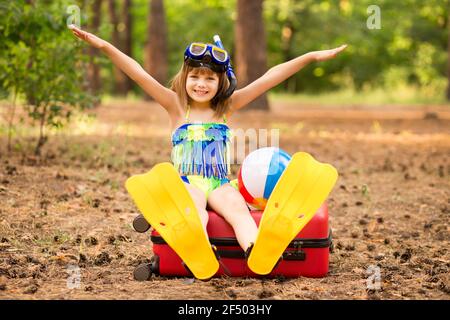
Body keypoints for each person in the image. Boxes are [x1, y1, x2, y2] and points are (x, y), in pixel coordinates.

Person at [70, 24, 346, 256]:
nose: (201, 84)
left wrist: (309, 57)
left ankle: (256, 250)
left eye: (209, 79)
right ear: (185, 77)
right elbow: (137, 71)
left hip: (219, 182)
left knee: (238, 211)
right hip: (188, 182)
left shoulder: (225, 108)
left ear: (220, 82)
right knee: (196, 213)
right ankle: (200, 250)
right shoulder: (175, 105)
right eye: (195, 77)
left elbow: (269, 78)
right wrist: (104, 46)